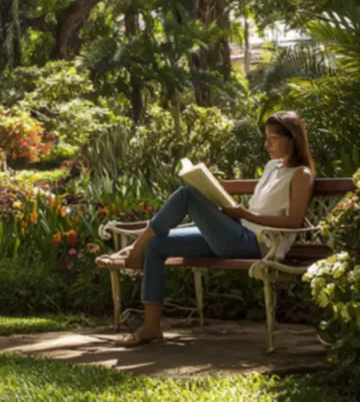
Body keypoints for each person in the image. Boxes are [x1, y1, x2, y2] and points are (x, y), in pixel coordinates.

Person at [114, 110, 316, 346]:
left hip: (259, 244)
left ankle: (136, 248)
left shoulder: (301, 174)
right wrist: (229, 212)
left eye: (272, 138)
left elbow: (293, 222)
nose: (266, 144)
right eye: (266, 137)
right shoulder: (272, 167)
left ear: (291, 138)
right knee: (157, 244)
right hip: (237, 231)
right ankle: (151, 328)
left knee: (187, 194)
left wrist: (244, 214)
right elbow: (253, 211)